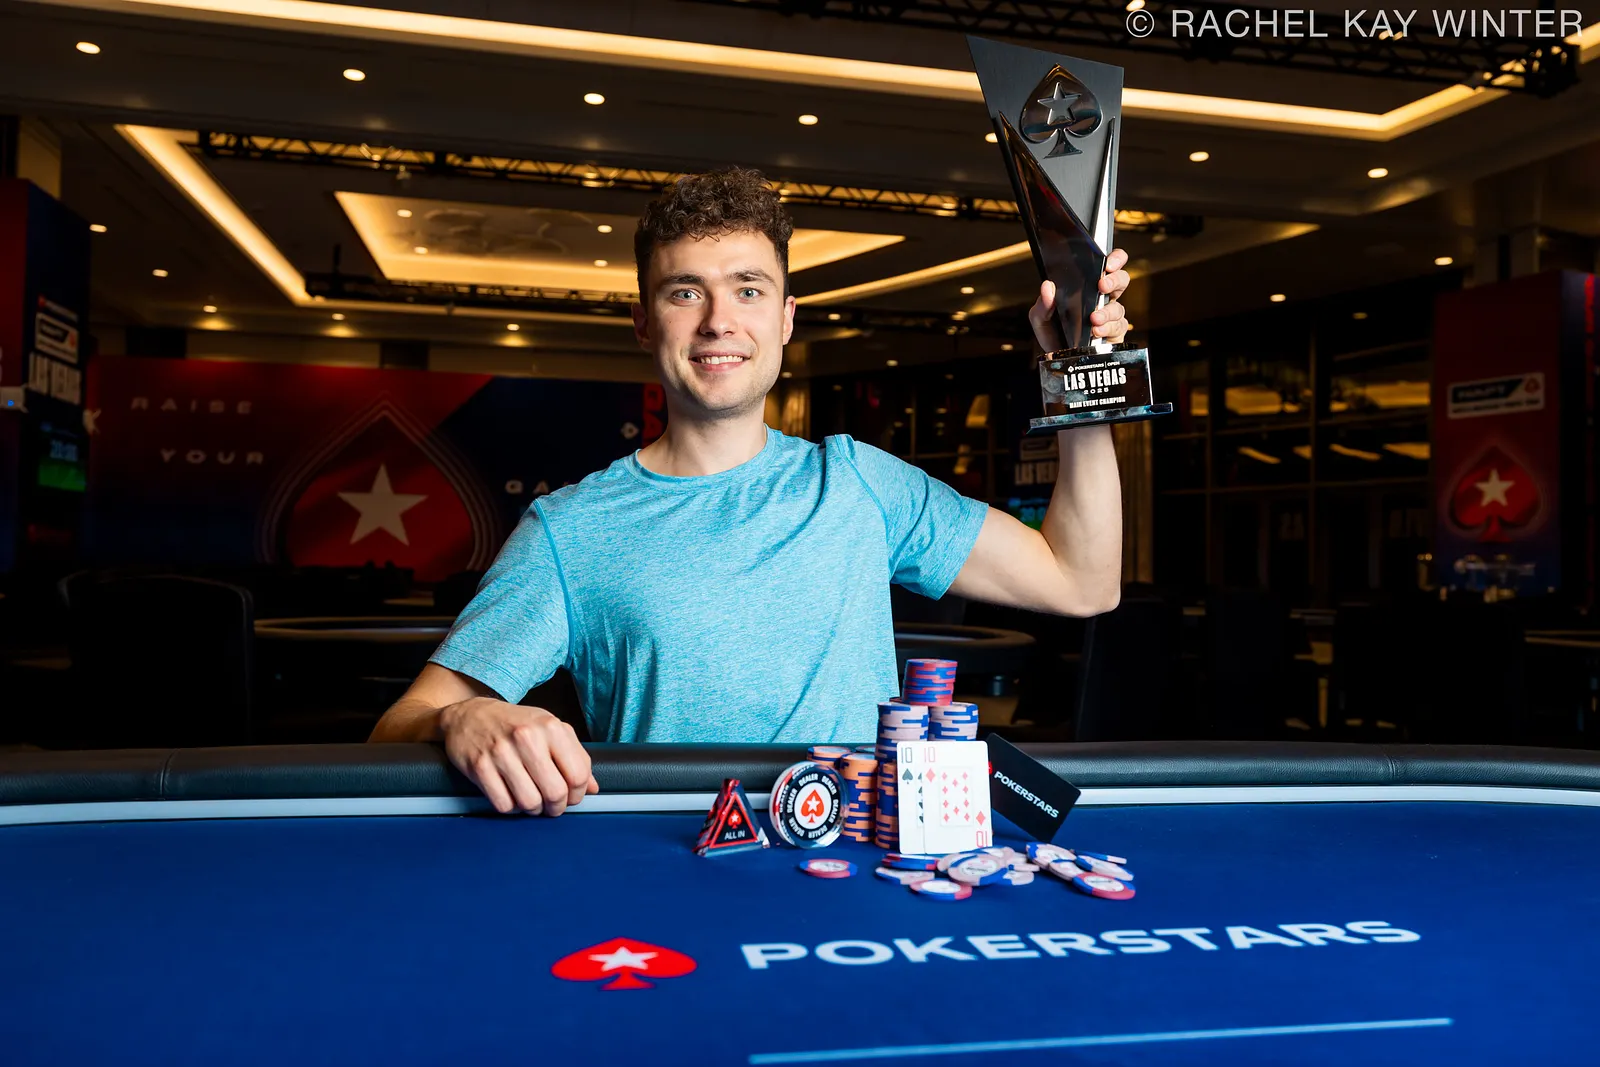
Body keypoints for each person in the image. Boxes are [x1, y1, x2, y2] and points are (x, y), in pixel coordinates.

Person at [369, 167, 1132, 816]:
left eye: (748, 289)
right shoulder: (569, 528)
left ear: (786, 318)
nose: (719, 321)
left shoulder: (859, 482)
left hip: (854, 879)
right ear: (643, 322)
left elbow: (1082, 580)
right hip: (671, 886)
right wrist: (464, 716)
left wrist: (1081, 373)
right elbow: (400, 724)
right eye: (685, 292)